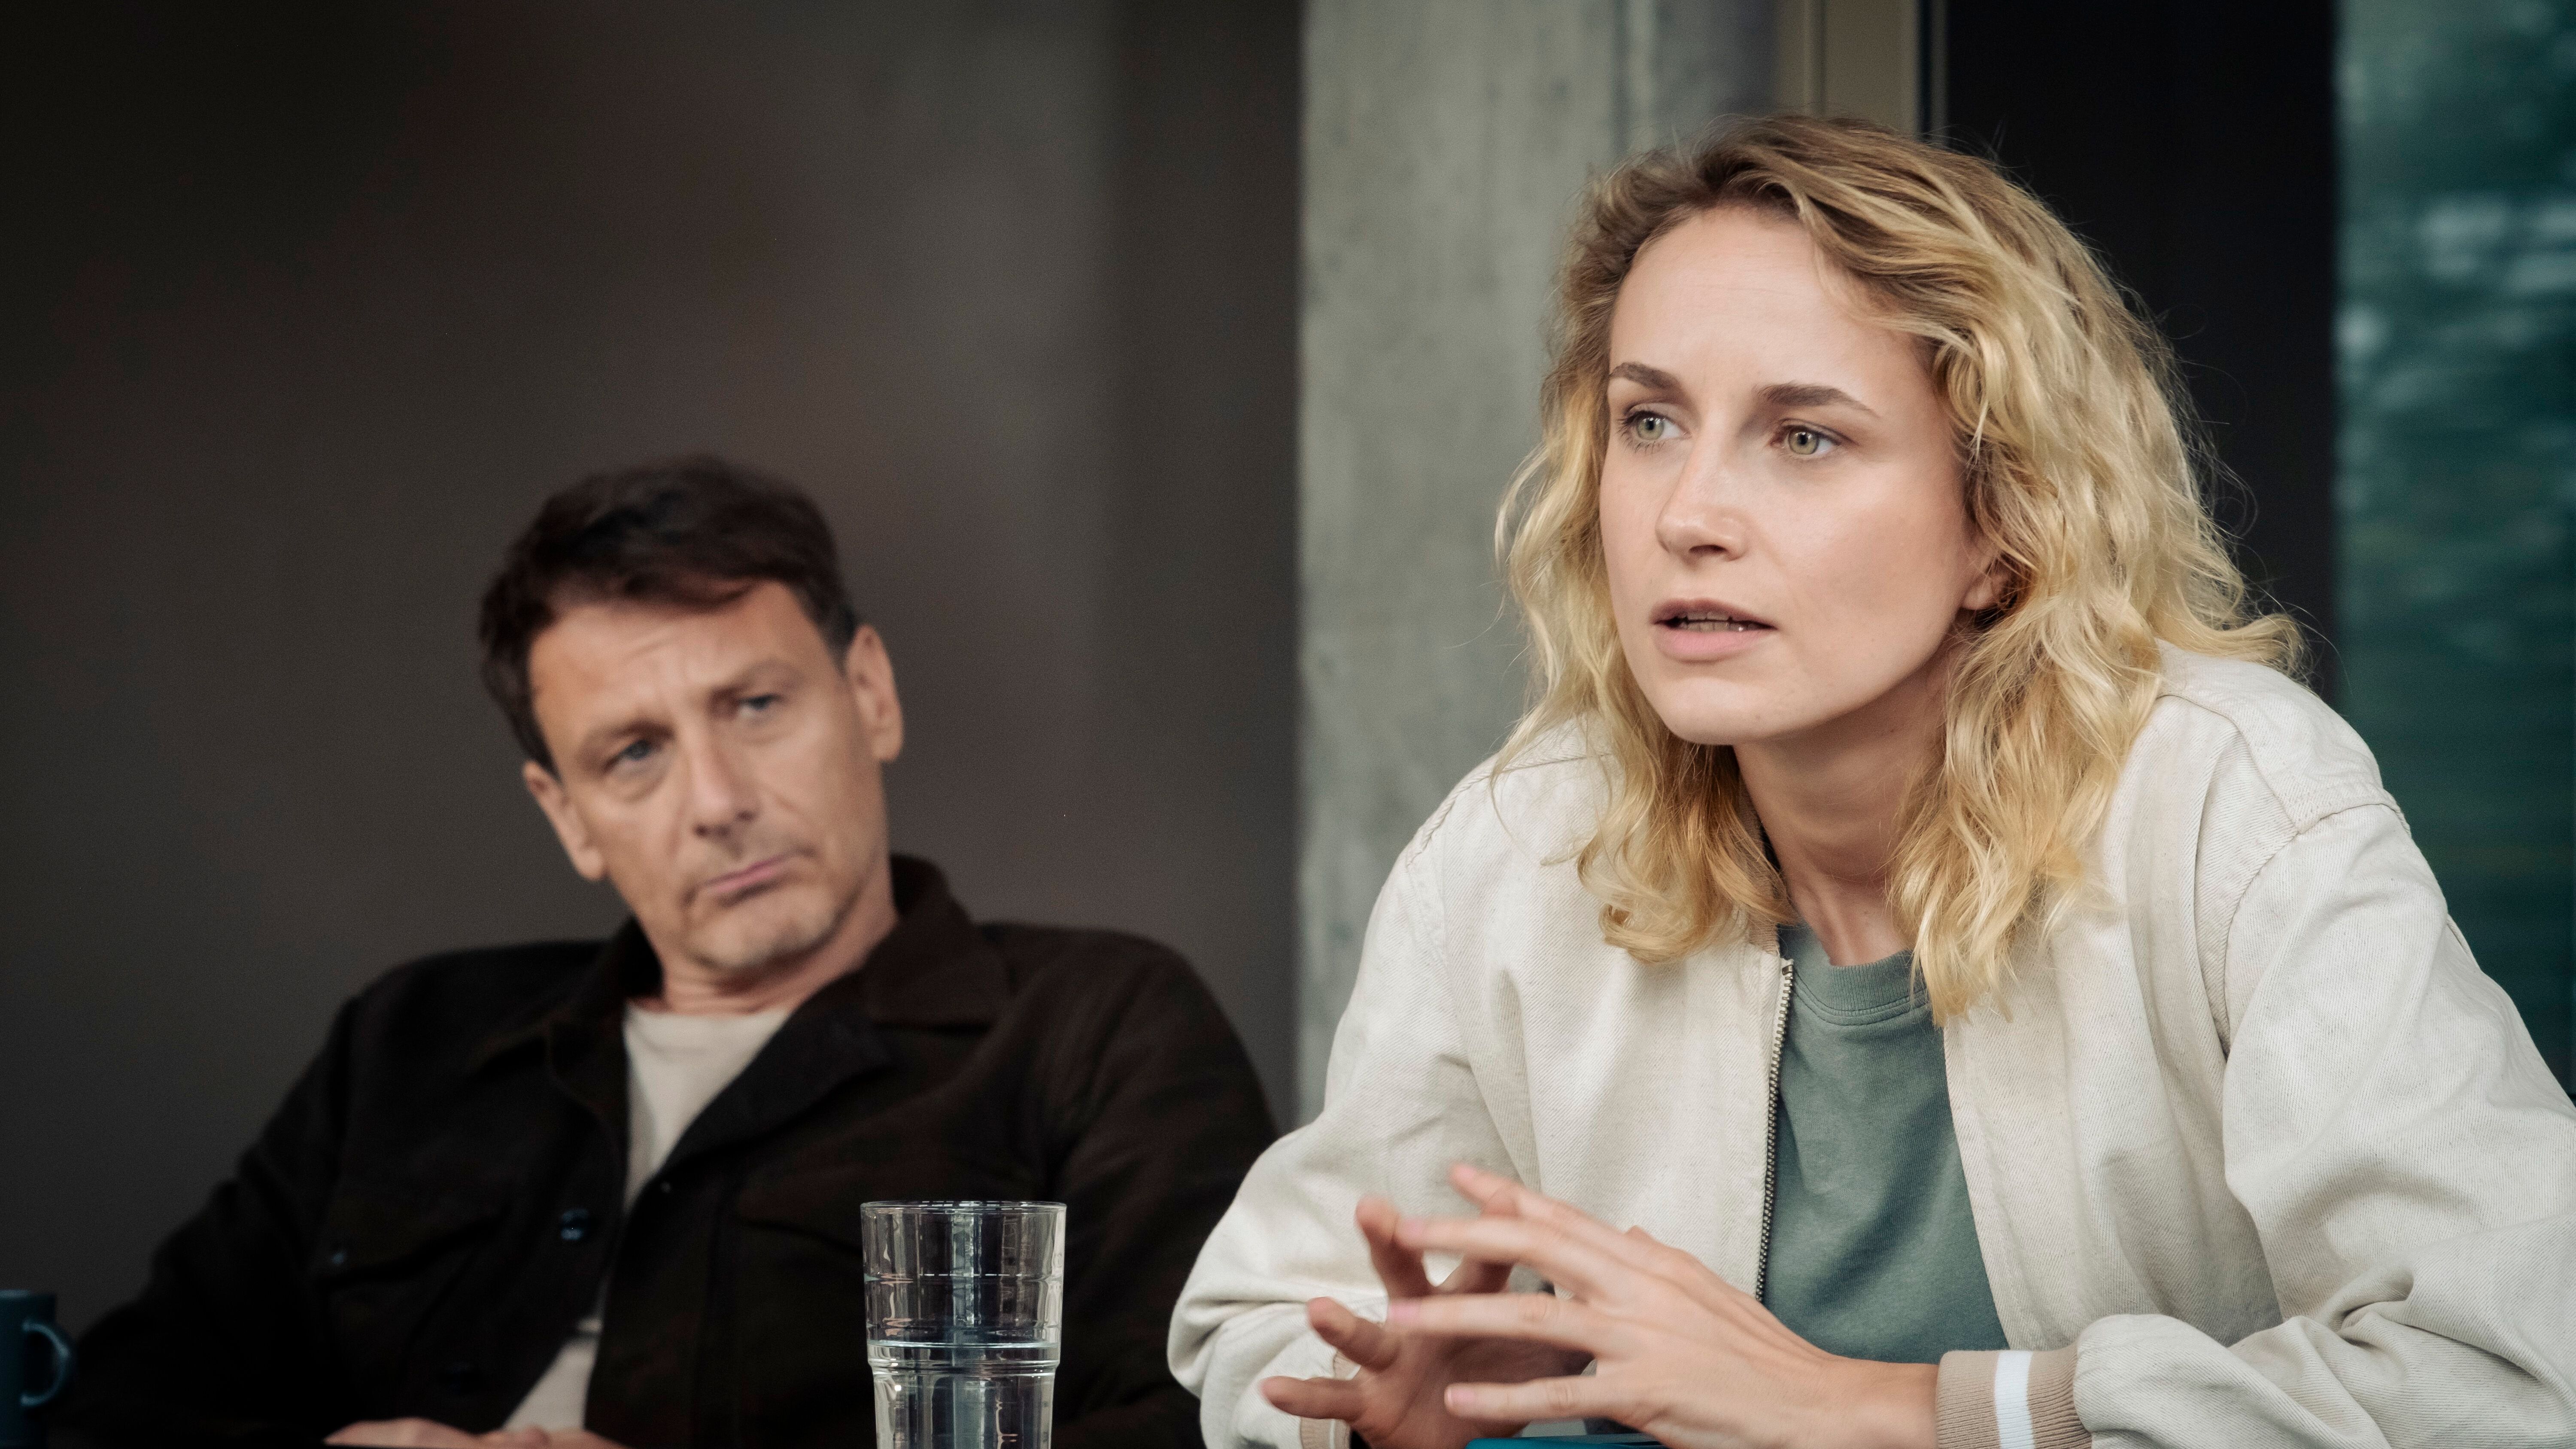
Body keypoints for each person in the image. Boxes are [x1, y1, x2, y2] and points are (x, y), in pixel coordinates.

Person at [1170, 115, 2576, 1449]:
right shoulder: (1527, 837)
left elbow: (2510, 1370)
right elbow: (1260, 1319)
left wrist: (1886, 1410)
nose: (1686, 516)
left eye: (1805, 437)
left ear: (2005, 524)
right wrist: (1379, 1415)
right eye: (1649, 422)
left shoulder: (2232, 799)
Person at [56, 456, 1276, 1449]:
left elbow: (1201, 1428)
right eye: (634, 754)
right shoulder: (406, 1042)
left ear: (871, 694)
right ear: (568, 817)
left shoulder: (1095, 1028)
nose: (718, 801)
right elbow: (112, 1409)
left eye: (756, 706)